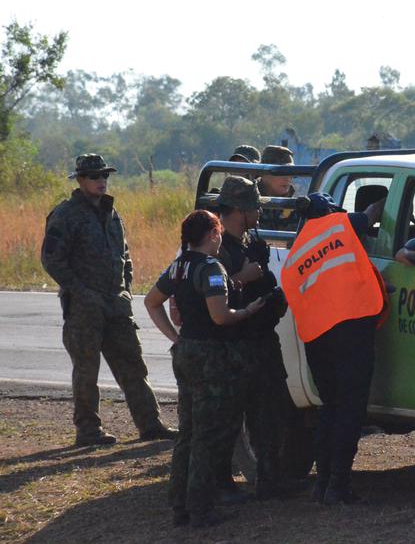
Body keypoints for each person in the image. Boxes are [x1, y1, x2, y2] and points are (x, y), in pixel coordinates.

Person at [41, 153, 176, 447]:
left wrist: (126, 288)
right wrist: (81, 292)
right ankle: (88, 431)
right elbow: (51, 259)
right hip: (83, 309)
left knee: (133, 366)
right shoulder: (65, 215)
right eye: (94, 176)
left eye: (104, 176)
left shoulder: (113, 214)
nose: (101, 181)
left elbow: (124, 256)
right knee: (87, 371)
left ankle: (150, 425)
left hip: (116, 305)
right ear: (80, 180)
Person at [144, 210, 265, 527]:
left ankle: (180, 504)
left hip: (186, 352)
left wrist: (175, 337)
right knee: (207, 435)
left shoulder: (180, 265)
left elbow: (151, 302)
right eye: (219, 232)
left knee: (188, 432)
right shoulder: (211, 268)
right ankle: (201, 507)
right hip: (210, 355)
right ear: (213, 235)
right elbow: (220, 317)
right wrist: (249, 310)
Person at [280, 193, 387, 505]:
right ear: (329, 211)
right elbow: (370, 212)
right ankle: (339, 485)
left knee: (330, 408)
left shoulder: (296, 253)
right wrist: (384, 200)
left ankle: (324, 482)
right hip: (351, 329)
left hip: (316, 338)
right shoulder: (342, 224)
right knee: (351, 409)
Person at [214, 176, 290, 500]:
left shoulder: (247, 244)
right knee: (228, 420)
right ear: (241, 209)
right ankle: (221, 485)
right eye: (254, 206)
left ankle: (270, 479)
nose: (259, 213)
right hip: (235, 347)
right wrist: (241, 279)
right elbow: (209, 298)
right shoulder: (217, 250)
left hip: (261, 342)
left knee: (270, 414)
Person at [258, 145, 298, 231]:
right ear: (264, 173)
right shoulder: (246, 202)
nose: (288, 178)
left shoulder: (297, 206)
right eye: (282, 172)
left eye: (291, 172)